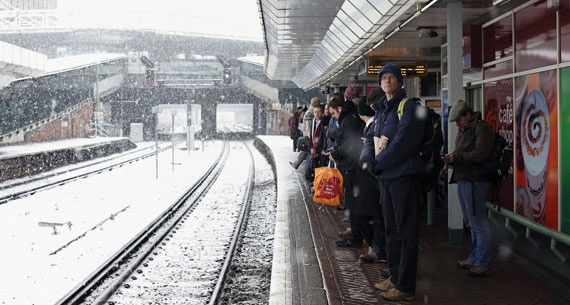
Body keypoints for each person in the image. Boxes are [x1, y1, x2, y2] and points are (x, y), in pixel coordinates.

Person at [367, 63, 425, 302]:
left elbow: (403, 143)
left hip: (403, 177)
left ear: (400, 82)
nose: (387, 81)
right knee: (391, 231)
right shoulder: (382, 110)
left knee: (406, 231)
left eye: (392, 77)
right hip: (387, 179)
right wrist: (373, 161)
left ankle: (406, 285)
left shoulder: (408, 107)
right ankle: (395, 276)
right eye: (384, 78)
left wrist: (378, 162)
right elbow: (374, 139)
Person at [444, 100, 495, 277]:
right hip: (465, 179)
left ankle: (482, 261)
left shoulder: (481, 129)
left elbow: (481, 154)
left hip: (475, 181)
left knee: (478, 222)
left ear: (467, 115)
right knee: (471, 222)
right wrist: (455, 158)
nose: (457, 124)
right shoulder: (465, 130)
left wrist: (457, 158)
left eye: (459, 120)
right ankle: (475, 257)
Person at [326, 95, 366, 248]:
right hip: (352, 165)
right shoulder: (350, 117)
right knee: (352, 202)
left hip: (351, 167)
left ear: (340, 109)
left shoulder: (348, 120)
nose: (334, 117)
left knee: (352, 203)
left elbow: (350, 145)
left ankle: (356, 237)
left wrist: (335, 153)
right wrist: (336, 149)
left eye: (334, 114)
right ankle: (355, 233)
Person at [356, 96, 387, 264]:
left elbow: (368, 155)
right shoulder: (376, 125)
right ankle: (377, 248)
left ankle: (378, 249)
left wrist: (369, 164)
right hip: (373, 175)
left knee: (375, 216)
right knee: (375, 216)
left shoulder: (376, 125)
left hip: (375, 176)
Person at [290, 97, 321, 169]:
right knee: (307, 151)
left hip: (308, 135)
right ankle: (307, 168)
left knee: (304, 151)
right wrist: (311, 138)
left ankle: (297, 164)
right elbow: (309, 127)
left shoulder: (310, 111)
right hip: (309, 136)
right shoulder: (310, 113)